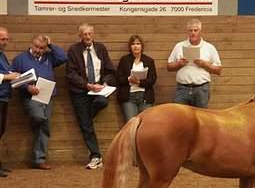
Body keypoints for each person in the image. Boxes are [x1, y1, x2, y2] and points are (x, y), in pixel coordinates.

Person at [11, 35, 67, 170]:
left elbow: (63, 57)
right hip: (30, 97)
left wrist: (51, 44)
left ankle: (38, 159)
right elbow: (13, 79)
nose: (38, 50)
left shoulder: (49, 57)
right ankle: (38, 148)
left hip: (47, 96)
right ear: (31, 44)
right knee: (39, 118)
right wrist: (27, 87)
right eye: (36, 46)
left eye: (42, 48)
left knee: (44, 127)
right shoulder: (20, 59)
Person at [66, 23, 115, 169]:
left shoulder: (101, 48)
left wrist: (104, 83)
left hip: (99, 89)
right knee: (86, 127)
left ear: (93, 34)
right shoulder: (74, 50)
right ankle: (95, 156)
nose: (87, 37)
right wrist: (87, 85)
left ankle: (86, 117)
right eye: (84, 34)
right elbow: (70, 73)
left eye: (89, 34)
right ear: (80, 36)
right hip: (80, 91)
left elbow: (110, 70)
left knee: (102, 103)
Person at [167, 19, 222, 108]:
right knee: (180, 118)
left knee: (202, 118)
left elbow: (219, 70)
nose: (193, 33)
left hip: (202, 89)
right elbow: (169, 67)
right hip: (182, 89)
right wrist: (179, 64)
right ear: (187, 32)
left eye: (196, 30)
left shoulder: (209, 47)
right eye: (190, 30)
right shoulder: (179, 46)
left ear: (200, 31)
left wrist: (205, 64)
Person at [116, 35, 157, 122]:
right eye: (133, 44)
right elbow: (118, 78)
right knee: (131, 123)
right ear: (130, 47)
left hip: (145, 96)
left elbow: (152, 79)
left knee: (145, 124)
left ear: (142, 46)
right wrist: (128, 79)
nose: (135, 46)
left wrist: (139, 81)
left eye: (138, 44)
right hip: (129, 97)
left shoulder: (149, 60)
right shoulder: (124, 60)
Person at [0, 27, 20, 178]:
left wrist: (14, 76)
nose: (5, 42)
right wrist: (8, 77)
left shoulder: (3, 55)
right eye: (2, 39)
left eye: (6, 39)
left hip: (4, 97)